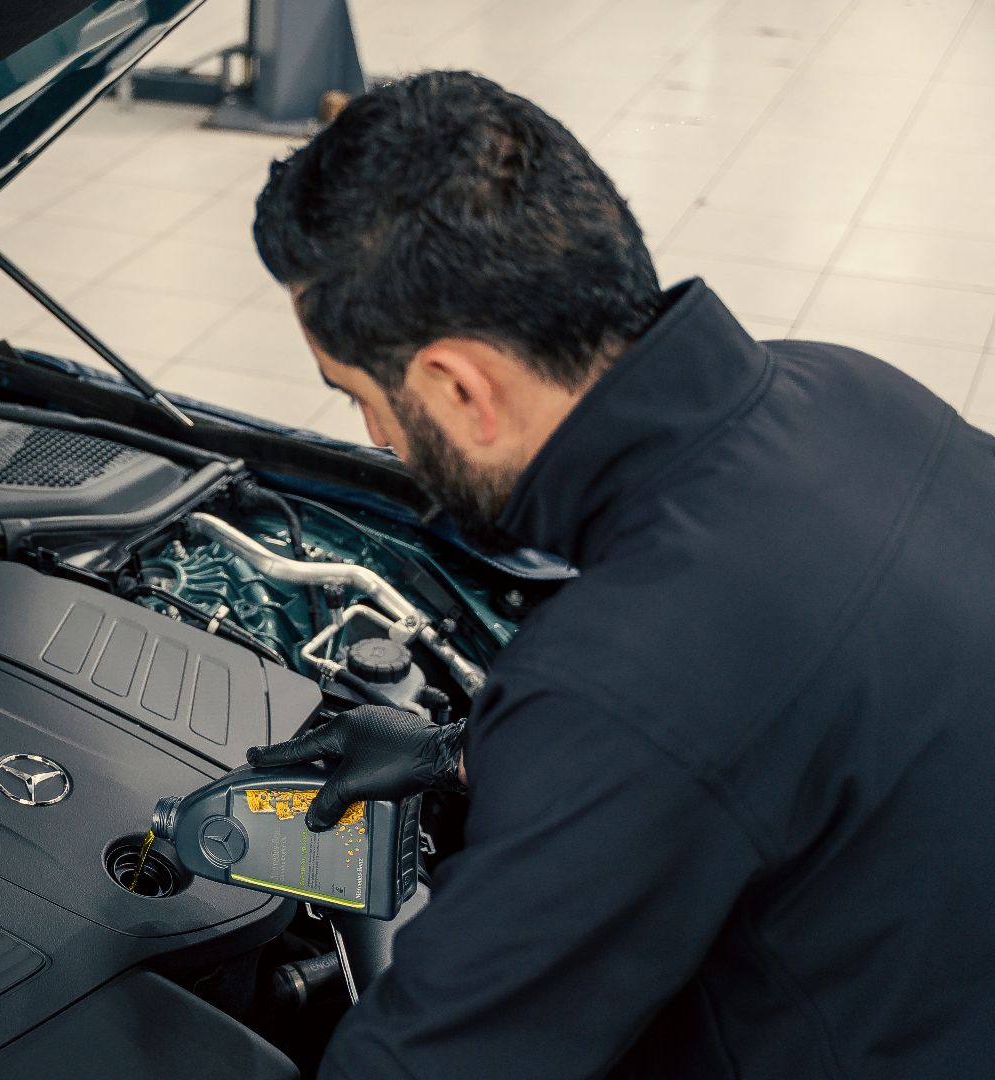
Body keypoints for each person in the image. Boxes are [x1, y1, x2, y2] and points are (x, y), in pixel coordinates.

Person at [245, 70, 995, 1079]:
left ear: (460, 386)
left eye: (357, 397)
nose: (377, 437)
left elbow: (431, 1061)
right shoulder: (853, 388)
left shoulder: (621, 679)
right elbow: (785, 718)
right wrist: (461, 755)